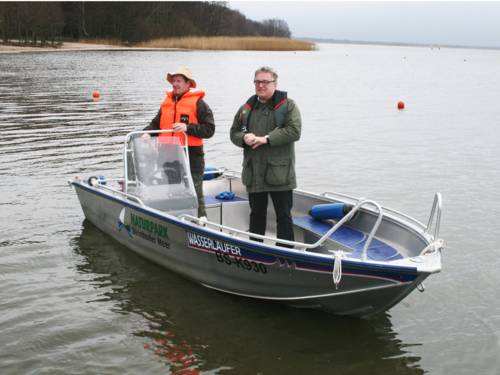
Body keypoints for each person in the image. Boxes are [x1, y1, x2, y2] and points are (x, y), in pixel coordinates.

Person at [230, 66, 301, 246]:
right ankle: (255, 250)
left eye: (265, 82)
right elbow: (234, 133)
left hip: (280, 174)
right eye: (257, 82)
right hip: (254, 173)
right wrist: (244, 138)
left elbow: (294, 131)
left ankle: (286, 254)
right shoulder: (246, 108)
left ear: (274, 84)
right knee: (256, 214)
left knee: (283, 216)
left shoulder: (288, 106)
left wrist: (266, 139)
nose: (261, 85)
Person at [143, 66, 215, 218]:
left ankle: (201, 224)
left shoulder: (199, 104)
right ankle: (176, 221)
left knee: (195, 194)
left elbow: (209, 129)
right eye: (173, 81)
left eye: (179, 81)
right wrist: (147, 133)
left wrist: (187, 127)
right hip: (168, 156)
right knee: (172, 193)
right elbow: (155, 123)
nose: (175, 84)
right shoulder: (166, 103)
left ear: (188, 84)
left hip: (192, 157)